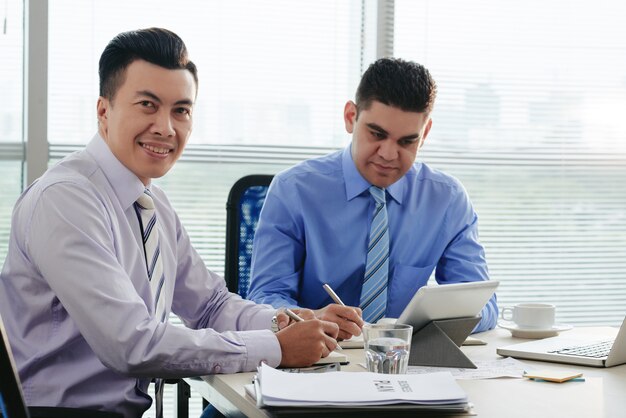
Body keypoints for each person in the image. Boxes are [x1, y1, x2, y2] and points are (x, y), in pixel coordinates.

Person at [0, 28, 342, 418]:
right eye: (148, 105)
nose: (166, 127)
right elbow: (130, 344)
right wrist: (278, 347)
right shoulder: (65, 199)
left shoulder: (152, 203)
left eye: (181, 110)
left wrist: (288, 321)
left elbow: (210, 305)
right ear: (103, 111)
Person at [248, 58, 498, 332]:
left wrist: (417, 327)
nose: (389, 155)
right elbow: (265, 299)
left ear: (424, 133)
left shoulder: (447, 200)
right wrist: (313, 319)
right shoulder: (293, 190)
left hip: (403, 362)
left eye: (407, 141)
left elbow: (482, 307)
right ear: (350, 117)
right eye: (377, 134)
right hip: (317, 359)